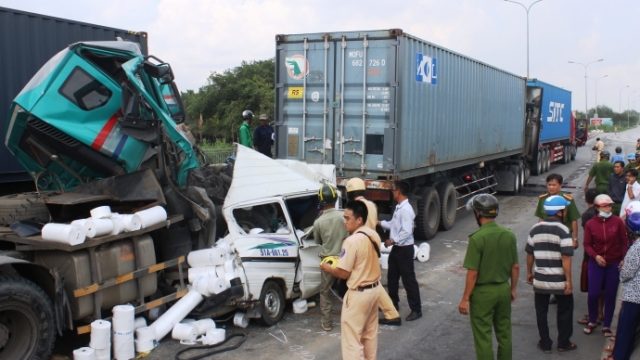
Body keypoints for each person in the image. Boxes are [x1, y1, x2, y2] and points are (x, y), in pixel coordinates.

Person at [458, 194, 519, 360]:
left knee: (483, 337)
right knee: (504, 334)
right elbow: (515, 267)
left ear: (478, 213)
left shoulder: (477, 239)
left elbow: (473, 273)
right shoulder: (509, 235)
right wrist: (512, 289)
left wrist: (465, 298)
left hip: (483, 294)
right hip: (503, 289)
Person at [320, 201, 382, 360]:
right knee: (369, 335)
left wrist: (328, 268)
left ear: (359, 220)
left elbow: (343, 273)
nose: (344, 221)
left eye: (347, 218)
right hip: (375, 290)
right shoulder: (372, 234)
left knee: (351, 341)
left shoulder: (351, 241)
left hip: (358, 294)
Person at [345, 177, 401, 325]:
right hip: (373, 243)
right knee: (374, 282)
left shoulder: (355, 207)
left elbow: (352, 228)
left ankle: (363, 314)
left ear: (350, 193)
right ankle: (391, 313)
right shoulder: (372, 205)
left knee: (360, 282)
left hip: (361, 245)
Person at [526, 195, 577, 353]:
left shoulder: (535, 228)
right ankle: (563, 343)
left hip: (540, 279)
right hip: (559, 280)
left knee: (541, 312)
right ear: (561, 212)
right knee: (565, 311)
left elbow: (529, 254)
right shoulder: (563, 230)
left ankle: (545, 343)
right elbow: (566, 257)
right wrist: (568, 281)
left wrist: (529, 272)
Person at [583, 194, 629, 336]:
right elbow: (587, 244)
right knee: (593, 293)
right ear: (597, 207)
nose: (609, 208)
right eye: (605, 206)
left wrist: (623, 258)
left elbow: (623, 242)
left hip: (613, 263)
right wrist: (595, 256)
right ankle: (592, 320)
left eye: (610, 205)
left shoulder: (618, 222)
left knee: (610, 294)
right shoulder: (591, 224)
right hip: (596, 264)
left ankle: (607, 325)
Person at [380, 181, 422, 322]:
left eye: (393, 190)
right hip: (398, 249)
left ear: (399, 191)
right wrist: (379, 222)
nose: (392, 193)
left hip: (405, 249)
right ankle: (393, 305)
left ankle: (416, 309)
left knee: (408, 280)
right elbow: (392, 224)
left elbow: (407, 231)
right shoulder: (399, 207)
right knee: (392, 278)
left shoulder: (406, 209)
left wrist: (392, 240)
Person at [313, 183, 348, 331]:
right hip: (345, 259)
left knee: (325, 292)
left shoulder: (318, 222)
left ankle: (327, 323)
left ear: (322, 201)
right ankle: (351, 320)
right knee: (349, 290)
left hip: (328, 262)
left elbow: (317, 241)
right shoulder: (344, 216)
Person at [609, 210, 640, 360]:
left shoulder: (636, 248)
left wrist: (622, 267)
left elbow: (627, 273)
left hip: (634, 297)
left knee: (625, 331)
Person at [577, 189, 603, 326]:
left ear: (587, 200)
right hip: (605, 253)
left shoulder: (587, 215)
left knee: (592, 286)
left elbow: (588, 236)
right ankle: (600, 312)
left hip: (591, 254)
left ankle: (595, 315)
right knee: (602, 287)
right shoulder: (605, 213)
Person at [535, 173, 580, 249]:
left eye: (554, 185)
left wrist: (574, 239)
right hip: (547, 234)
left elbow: (574, 220)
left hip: (564, 235)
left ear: (560, 185)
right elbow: (541, 218)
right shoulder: (542, 199)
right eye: (549, 185)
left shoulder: (567, 199)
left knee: (564, 257)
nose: (551, 187)